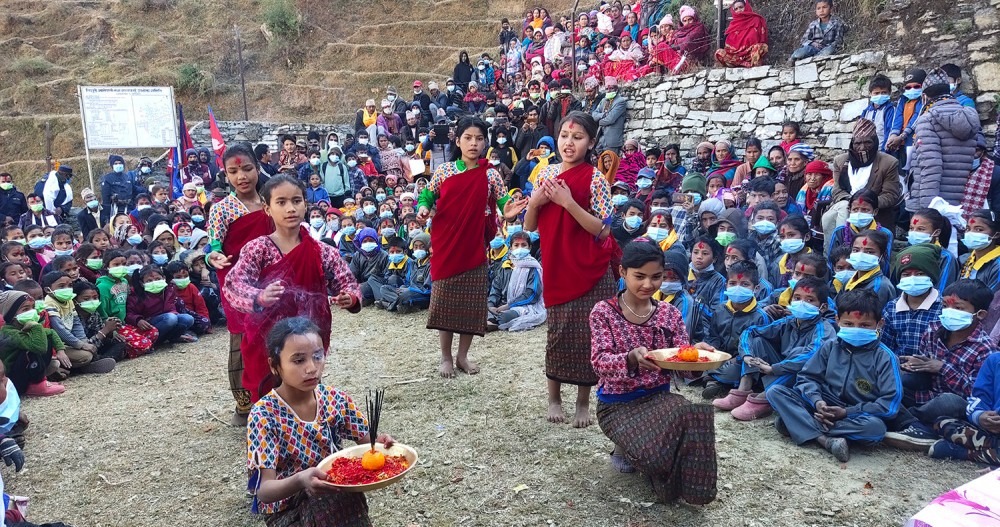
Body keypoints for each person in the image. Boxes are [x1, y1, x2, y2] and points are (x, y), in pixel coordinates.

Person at [590, 239, 717, 504]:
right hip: (618, 404)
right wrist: (630, 358)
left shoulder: (669, 314)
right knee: (654, 456)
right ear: (623, 272)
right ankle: (623, 445)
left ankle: (690, 490)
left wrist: (700, 356)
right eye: (639, 276)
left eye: (656, 277)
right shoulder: (604, 312)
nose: (648, 285)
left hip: (659, 399)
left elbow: (682, 363)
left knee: (693, 414)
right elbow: (599, 362)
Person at [224, 174, 361, 407]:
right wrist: (259, 296)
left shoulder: (320, 250)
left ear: (305, 205)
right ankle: (269, 429)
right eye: (281, 202)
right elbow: (233, 285)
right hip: (266, 337)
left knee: (305, 379)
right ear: (267, 209)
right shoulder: (258, 248)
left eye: (297, 201)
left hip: (309, 334)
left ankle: (306, 424)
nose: (291, 208)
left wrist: (351, 297)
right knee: (269, 388)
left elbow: (346, 281)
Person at [246, 317, 396, 525]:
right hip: (289, 507)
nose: (311, 368)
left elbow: (368, 443)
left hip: (336, 492)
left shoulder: (335, 399)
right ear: (274, 365)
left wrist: (382, 442)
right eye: (298, 360)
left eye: (317, 356)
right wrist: (300, 480)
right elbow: (264, 490)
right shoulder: (264, 415)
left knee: (338, 498)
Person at [524, 111, 618, 428]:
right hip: (557, 264)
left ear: (590, 143)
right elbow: (529, 225)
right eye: (565, 135)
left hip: (590, 269)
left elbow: (603, 231)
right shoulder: (545, 174)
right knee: (558, 334)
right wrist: (535, 202)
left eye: (577, 138)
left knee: (590, 338)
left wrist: (567, 203)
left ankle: (582, 403)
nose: (569, 143)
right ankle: (553, 398)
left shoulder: (595, 179)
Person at [417, 117, 523, 378]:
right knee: (444, 303)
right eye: (468, 138)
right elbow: (428, 194)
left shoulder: (490, 174)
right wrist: (422, 207)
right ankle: (445, 357)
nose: (474, 143)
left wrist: (509, 212)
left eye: (478, 139)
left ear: (485, 142)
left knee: (470, 305)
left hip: (475, 247)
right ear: (458, 141)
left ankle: (462, 356)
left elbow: (504, 203)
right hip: (446, 245)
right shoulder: (445, 171)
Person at [766, 289, 902, 462]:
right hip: (821, 405)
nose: (856, 329)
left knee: (875, 429)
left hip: (855, 413)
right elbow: (807, 378)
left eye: (865, 325)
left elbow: (889, 405)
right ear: (837, 321)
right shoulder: (830, 347)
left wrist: (846, 412)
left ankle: (797, 423)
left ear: (879, 324)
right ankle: (825, 441)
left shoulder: (885, 357)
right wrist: (817, 401)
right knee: (776, 391)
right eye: (849, 324)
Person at [205, 144, 276, 426]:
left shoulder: (272, 202)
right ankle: (245, 404)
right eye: (233, 171)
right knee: (244, 340)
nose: (241, 176)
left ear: (257, 168)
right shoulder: (222, 209)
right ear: (225, 174)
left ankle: (280, 397)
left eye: (247, 169)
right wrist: (214, 256)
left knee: (277, 336)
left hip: (271, 280)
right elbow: (213, 245)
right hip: (238, 284)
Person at [883, 279, 998, 450]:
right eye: (945, 306)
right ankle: (911, 424)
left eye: (958, 308)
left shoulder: (985, 348)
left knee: (949, 402)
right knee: (895, 383)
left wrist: (943, 368)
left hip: (957, 405)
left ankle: (907, 421)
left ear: (980, 314)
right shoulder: (933, 330)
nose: (949, 312)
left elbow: (975, 394)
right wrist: (912, 364)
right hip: (927, 394)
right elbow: (924, 365)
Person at [906, 68, 981, 213]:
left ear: (925, 96)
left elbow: (930, 165)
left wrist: (928, 209)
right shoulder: (968, 116)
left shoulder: (928, 120)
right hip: (958, 197)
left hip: (933, 200)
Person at [824, 120, 901, 247]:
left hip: (876, 215)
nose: (862, 147)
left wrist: (866, 205)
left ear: (875, 142)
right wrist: (853, 204)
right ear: (852, 143)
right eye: (858, 143)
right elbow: (837, 191)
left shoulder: (888, 163)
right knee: (830, 217)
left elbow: (890, 195)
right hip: (847, 210)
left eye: (867, 143)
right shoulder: (841, 161)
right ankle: (834, 254)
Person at [929, 350, 1000, 464]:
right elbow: (978, 398)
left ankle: (963, 453)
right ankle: (993, 450)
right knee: (942, 423)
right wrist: (980, 416)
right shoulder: (994, 361)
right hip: (992, 430)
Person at [40, 271, 116, 375]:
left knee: (90, 350)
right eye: (61, 286)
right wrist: (81, 345)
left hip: (68, 344)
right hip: (57, 347)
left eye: (70, 285)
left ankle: (82, 366)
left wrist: (85, 342)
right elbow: (59, 330)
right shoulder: (49, 303)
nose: (67, 289)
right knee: (86, 356)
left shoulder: (69, 301)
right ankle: (78, 369)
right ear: (47, 289)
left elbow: (76, 323)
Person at [881, 244, 944, 359]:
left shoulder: (944, 308)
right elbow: (886, 348)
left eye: (920, 274)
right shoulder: (891, 308)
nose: (913, 278)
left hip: (933, 372)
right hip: (899, 370)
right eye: (906, 274)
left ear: (932, 276)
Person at [0, 290, 67, 396]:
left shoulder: (24, 325)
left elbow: (51, 332)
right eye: (25, 309)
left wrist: (60, 349)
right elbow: (38, 347)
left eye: (32, 307)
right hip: (13, 377)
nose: (32, 311)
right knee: (33, 345)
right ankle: (36, 385)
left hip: (22, 371)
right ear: (11, 314)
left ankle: (38, 381)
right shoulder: (8, 332)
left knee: (54, 362)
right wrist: (36, 326)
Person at [487, 231, 545, 332]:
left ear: (529, 248)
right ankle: (492, 319)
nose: (520, 248)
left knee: (507, 316)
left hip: (524, 306)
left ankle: (493, 321)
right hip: (501, 306)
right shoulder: (505, 267)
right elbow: (495, 289)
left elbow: (532, 294)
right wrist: (491, 305)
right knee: (483, 309)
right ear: (511, 248)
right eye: (516, 245)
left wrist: (509, 305)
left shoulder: (533, 267)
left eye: (524, 245)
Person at [714, 0, 769, 68]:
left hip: (751, 54)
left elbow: (762, 38)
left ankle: (750, 64)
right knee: (719, 53)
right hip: (735, 56)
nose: (739, 10)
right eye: (736, 9)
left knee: (761, 47)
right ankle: (741, 64)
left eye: (741, 7)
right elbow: (728, 46)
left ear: (746, 7)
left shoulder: (756, 20)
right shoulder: (733, 25)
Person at [859, 74, 895, 152]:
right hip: (867, 152)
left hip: (883, 152)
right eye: (876, 93)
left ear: (889, 93)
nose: (880, 95)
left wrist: (884, 152)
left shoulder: (890, 110)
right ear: (870, 93)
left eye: (884, 92)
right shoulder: (866, 112)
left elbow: (889, 132)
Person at [591, 77, 627, 153]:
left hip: (612, 140)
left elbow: (610, 119)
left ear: (616, 89)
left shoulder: (620, 101)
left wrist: (598, 122)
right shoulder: (604, 100)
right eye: (607, 89)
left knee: (611, 162)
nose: (609, 90)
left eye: (611, 88)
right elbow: (594, 114)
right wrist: (603, 114)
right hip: (600, 138)